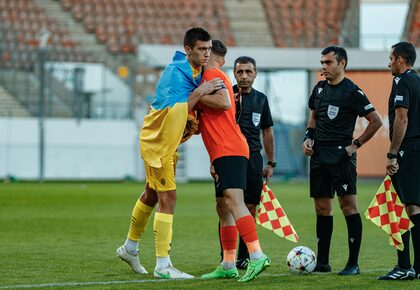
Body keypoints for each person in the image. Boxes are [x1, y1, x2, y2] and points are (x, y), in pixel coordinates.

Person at [116, 27, 223, 279]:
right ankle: (163, 265)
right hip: (159, 143)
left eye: (209, 49)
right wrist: (200, 92)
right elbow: (176, 110)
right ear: (188, 50)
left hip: (167, 142)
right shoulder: (176, 73)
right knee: (169, 198)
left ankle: (129, 248)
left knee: (152, 194)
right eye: (201, 49)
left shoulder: (195, 69)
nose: (207, 54)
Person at [301, 46, 382, 275]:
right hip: (318, 155)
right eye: (322, 62)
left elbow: (375, 121)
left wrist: (355, 145)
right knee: (322, 207)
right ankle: (323, 263)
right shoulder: (319, 89)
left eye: (328, 62)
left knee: (348, 206)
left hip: (341, 156)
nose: (323, 66)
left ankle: (353, 264)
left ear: (342, 63)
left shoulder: (352, 92)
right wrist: (308, 137)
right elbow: (314, 115)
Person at [196, 39, 271, 282]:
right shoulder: (214, 78)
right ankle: (228, 263)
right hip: (222, 151)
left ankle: (257, 255)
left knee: (236, 202)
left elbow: (223, 102)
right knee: (222, 206)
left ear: (208, 55)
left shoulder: (213, 75)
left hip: (231, 149)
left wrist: (194, 96)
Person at [378, 41, 420, 281]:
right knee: (415, 206)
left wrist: (393, 153)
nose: (389, 63)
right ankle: (418, 266)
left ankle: (403, 266)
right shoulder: (418, 81)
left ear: (400, 60)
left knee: (398, 205)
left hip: (407, 150)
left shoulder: (402, 82)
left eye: (391, 58)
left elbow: (401, 118)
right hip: (417, 150)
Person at [230, 56, 275, 269]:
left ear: (255, 74)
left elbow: (267, 131)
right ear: (234, 73)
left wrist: (271, 162)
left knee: (250, 206)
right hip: (229, 156)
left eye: (249, 72)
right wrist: (214, 161)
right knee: (227, 207)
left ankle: (243, 256)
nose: (245, 76)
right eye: (240, 72)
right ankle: (227, 258)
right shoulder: (226, 96)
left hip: (254, 159)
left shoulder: (262, 99)